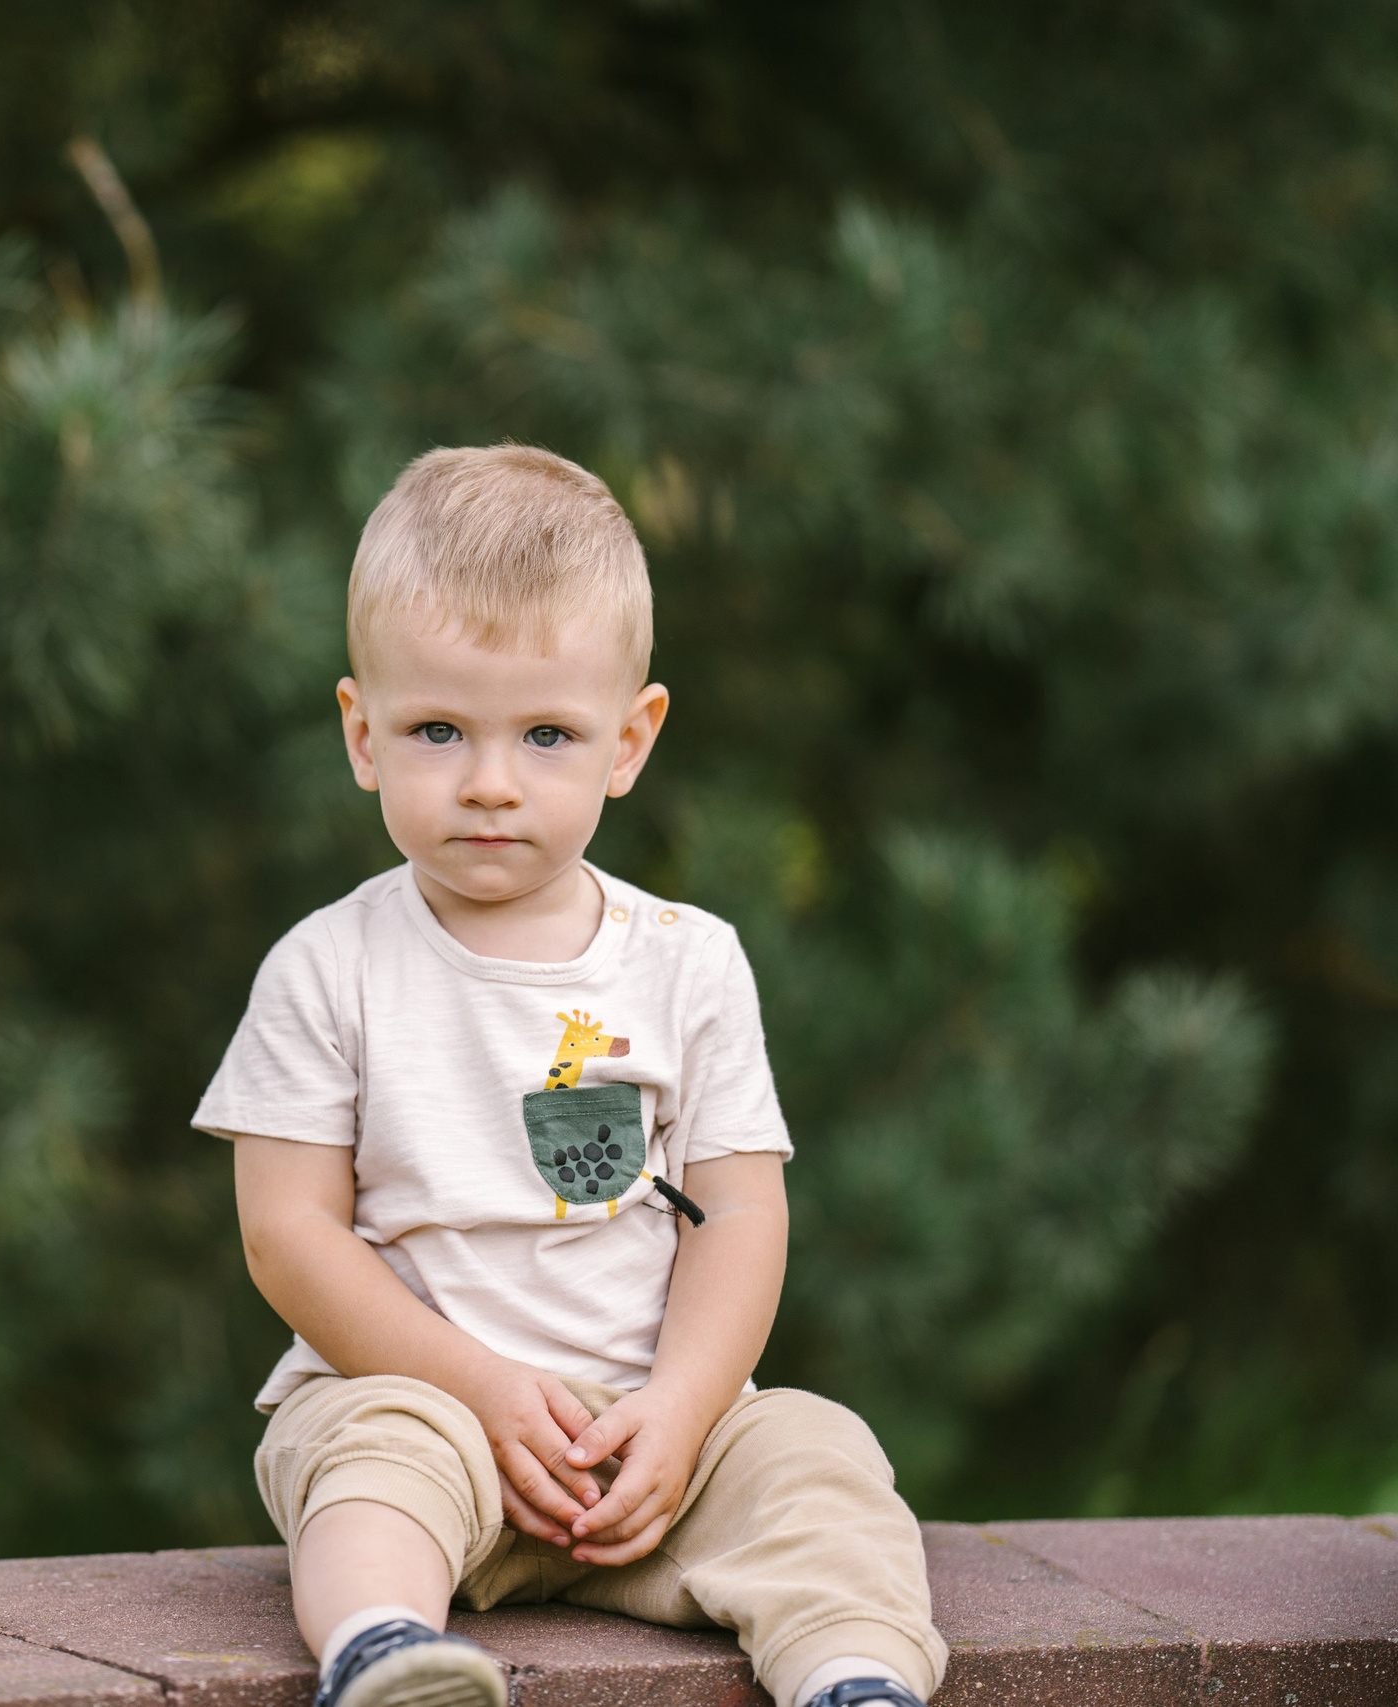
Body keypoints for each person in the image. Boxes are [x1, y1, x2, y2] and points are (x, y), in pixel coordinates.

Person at [194, 446, 946, 1707]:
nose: (489, 782)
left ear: (629, 740)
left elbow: (742, 1212)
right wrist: (474, 1388)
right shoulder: (329, 968)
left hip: (649, 1441)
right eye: (438, 730)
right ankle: (382, 1650)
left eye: (546, 734)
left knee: (819, 1452)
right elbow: (286, 1236)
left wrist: (685, 1407)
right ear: (360, 732)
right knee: (368, 1460)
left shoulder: (685, 963)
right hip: (425, 1403)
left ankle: (853, 1678)